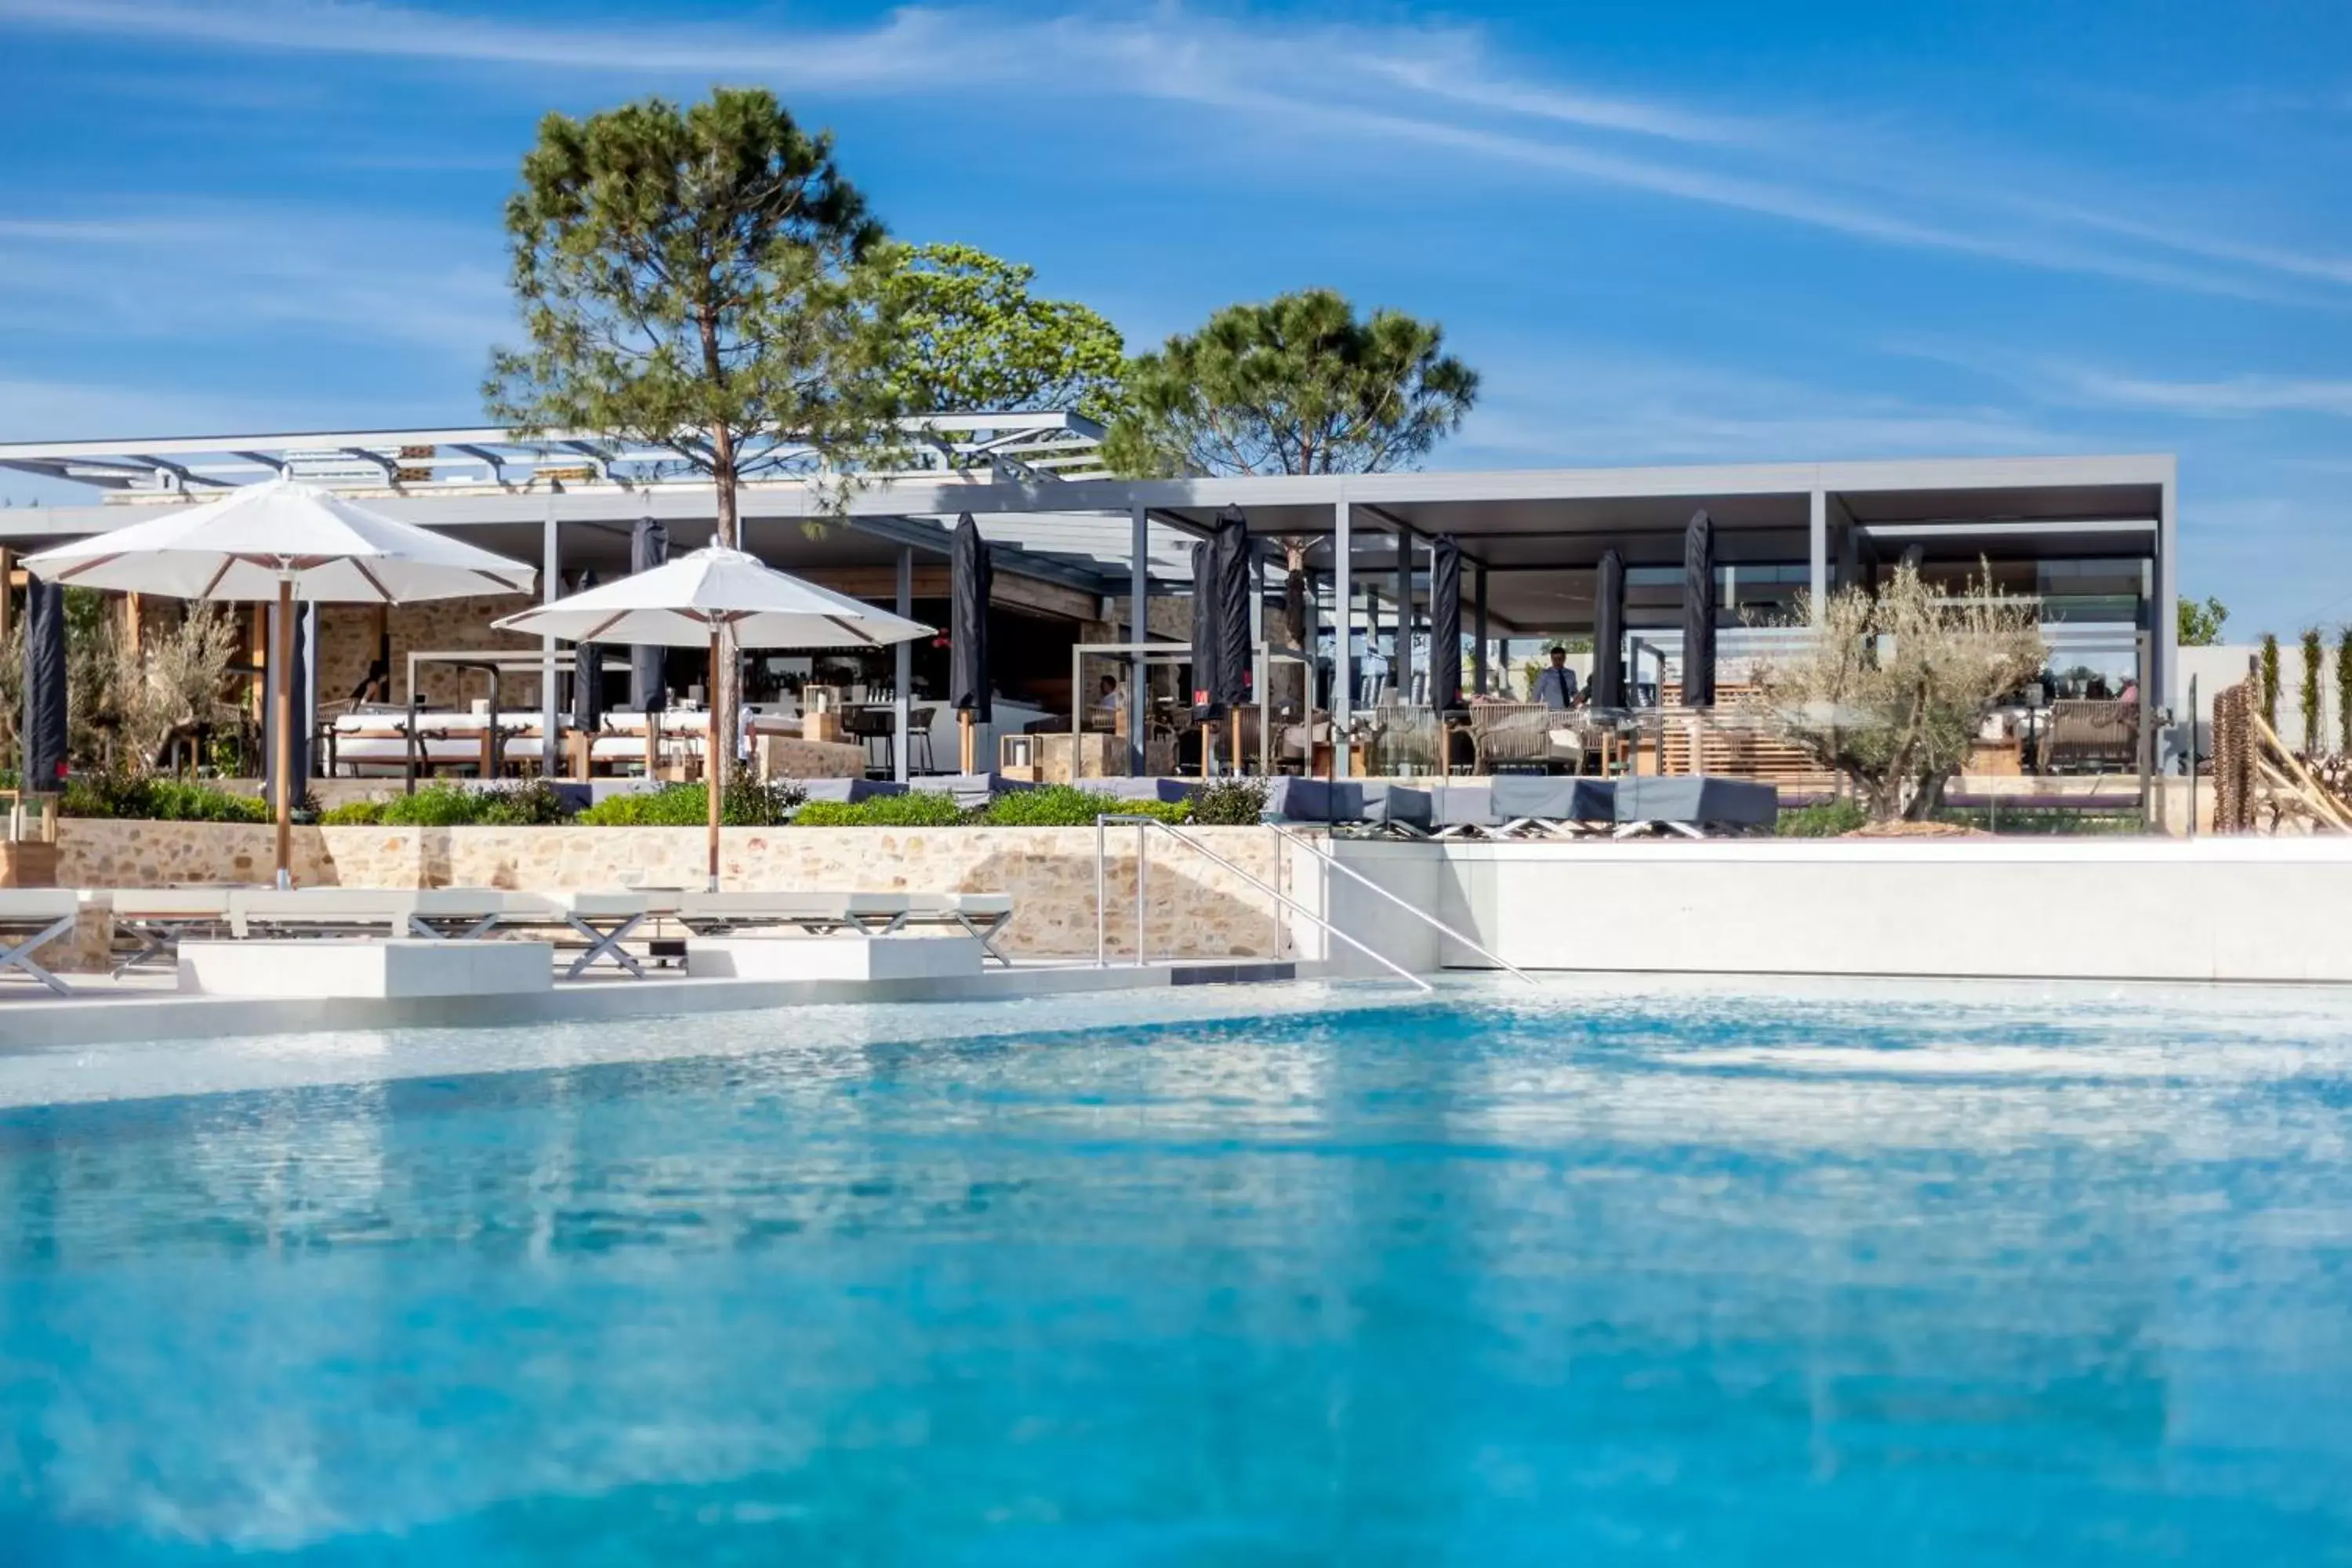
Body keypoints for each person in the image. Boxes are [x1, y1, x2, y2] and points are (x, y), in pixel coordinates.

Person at [1532, 646, 1578, 710]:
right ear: (1551, 659)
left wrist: (1577, 702)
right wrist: (1535, 709)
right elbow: (1536, 693)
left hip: (1567, 712)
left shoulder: (1571, 674)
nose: (1557, 662)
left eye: (1560, 659)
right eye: (1554, 659)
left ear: (1564, 659)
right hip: (1550, 712)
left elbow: (1574, 691)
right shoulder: (1545, 674)